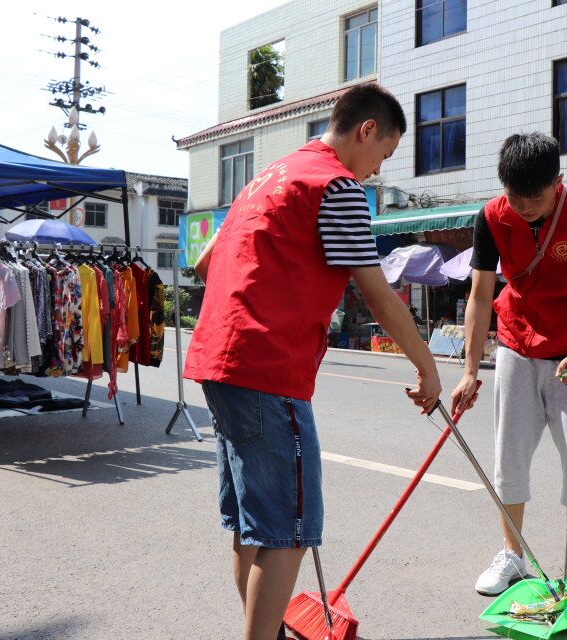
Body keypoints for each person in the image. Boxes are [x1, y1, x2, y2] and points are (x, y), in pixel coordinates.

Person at [184, 84, 442, 640]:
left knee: (255, 525)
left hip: (218, 360)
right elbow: (375, 291)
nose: (376, 172)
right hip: (269, 367)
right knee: (288, 532)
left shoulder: (268, 177)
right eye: (384, 155)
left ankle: (266, 630)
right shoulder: (337, 187)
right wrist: (427, 365)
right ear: (366, 130)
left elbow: (205, 263)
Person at [450, 133, 567, 605]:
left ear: (559, 183)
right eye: (514, 196)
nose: (523, 206)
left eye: (535, 196)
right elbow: (482, 294)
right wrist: (470, 368)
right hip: (517, 344)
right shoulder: (491, 216)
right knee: (508, 456)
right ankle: (512, 556)